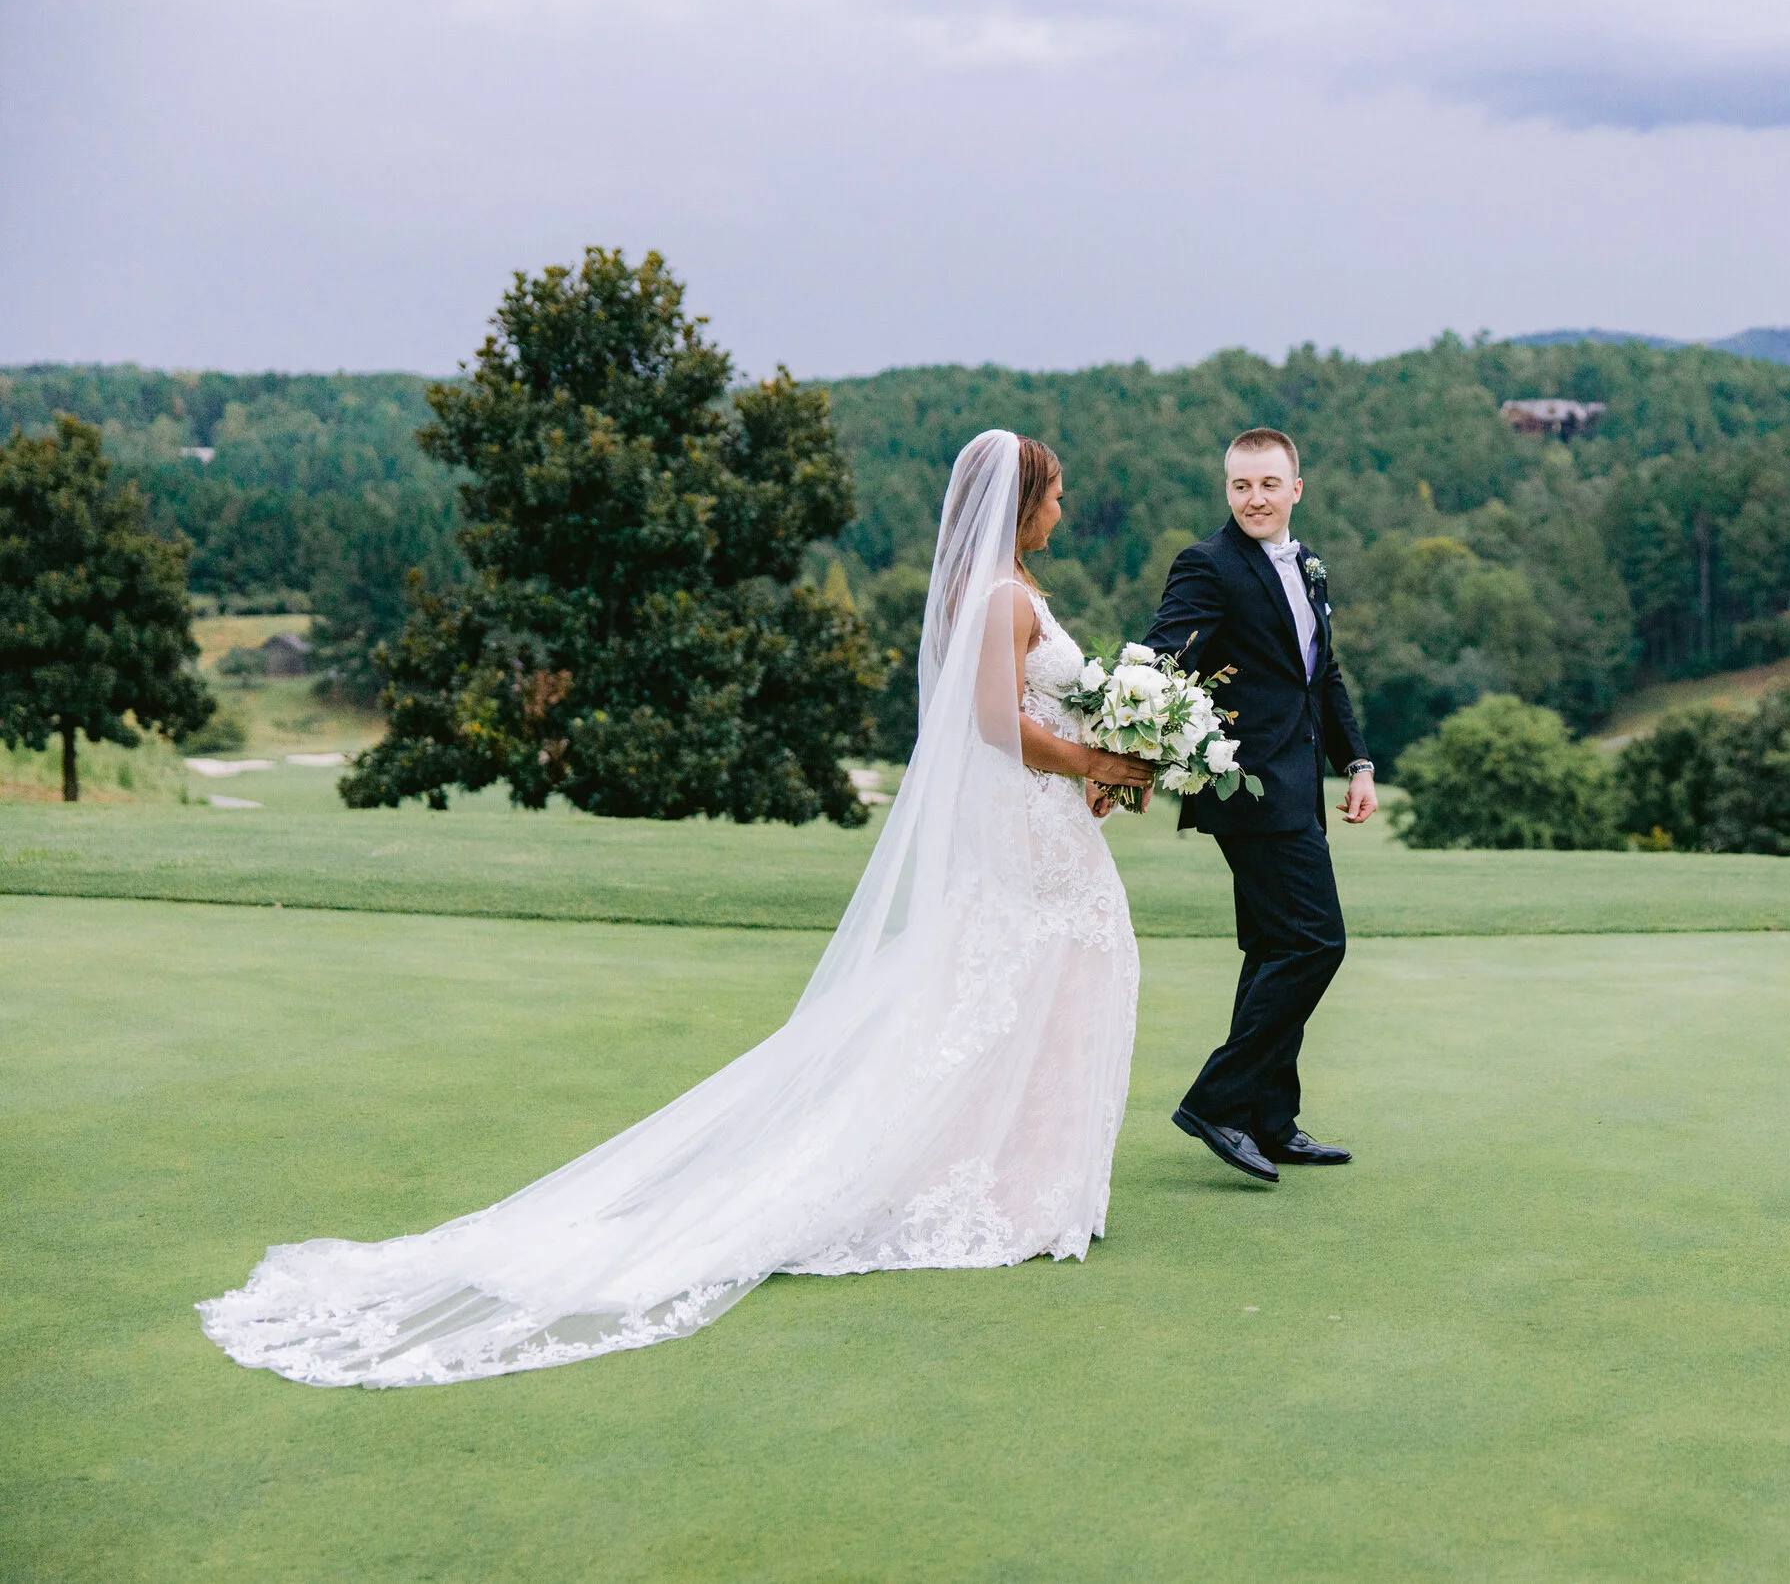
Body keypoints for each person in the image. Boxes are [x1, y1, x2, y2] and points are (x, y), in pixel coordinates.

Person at [197, 430, 1157, 1387]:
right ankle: (1010, 1191)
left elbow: (1035, 714)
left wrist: (1102, 767)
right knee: (1024, 985)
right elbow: (995, 724)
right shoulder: (999, 595)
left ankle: (1024, 1181)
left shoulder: (1006, 591)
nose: (1063, 509)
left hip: (1046, 826)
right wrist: (1097, 761)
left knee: (1036, 991)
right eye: (1057, 493)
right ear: (1020, 499)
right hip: (1034, 838)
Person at [1145, 427, 1375, 1184]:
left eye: (1269, 484)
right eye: (1241, 486)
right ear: (1227, 491)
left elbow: (1322, 675)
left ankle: (1271, 1121)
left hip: (1299, 783)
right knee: (1316, 942)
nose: (1255, 498)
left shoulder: (1304, 568)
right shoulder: (1207, 565)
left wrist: (1358, 762)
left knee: (1275, 947)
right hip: (1244, 788)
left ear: (1295, 489)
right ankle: (1220, 1099)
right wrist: (1132, 741)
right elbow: (1160, 658)